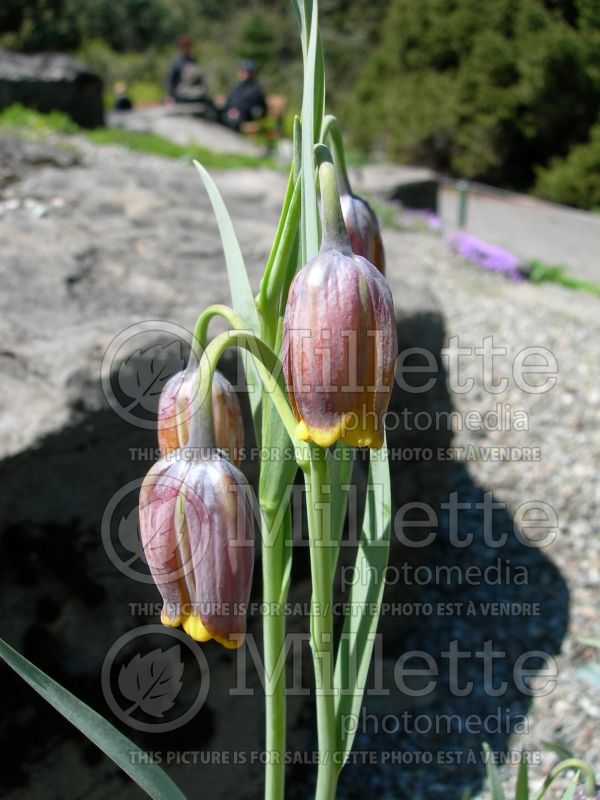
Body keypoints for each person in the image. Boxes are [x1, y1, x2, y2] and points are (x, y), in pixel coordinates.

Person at [220, 59, 267, 131]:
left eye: (246, 71)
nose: (242, 73)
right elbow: (229, 102)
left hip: (245, 117)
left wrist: (238, 111)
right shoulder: (237, 88)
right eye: (242, 71)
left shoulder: (256, 89)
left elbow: (254, 106)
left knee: (230, 122)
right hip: (231, 114)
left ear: (252, 73)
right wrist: (229, 110)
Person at [165, 35, 210, 105]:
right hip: (181, 94)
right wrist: (171, 95)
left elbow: (200, 80)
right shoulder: (176, 63)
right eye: (183, 46)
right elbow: (170, 81)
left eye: (187, 46)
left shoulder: (193, 61)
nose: (186, 48)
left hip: (194, 93)